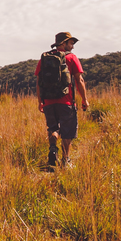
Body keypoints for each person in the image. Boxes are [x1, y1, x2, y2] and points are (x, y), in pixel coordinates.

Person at [34, 31, 90, 170]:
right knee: (67, 131)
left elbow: (38, 82)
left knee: (53, 128)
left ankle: (53, 147)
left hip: (48, 102)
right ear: (63, 44)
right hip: (66, 102)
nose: (72, 46)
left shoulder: (44, 59)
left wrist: (40, 101)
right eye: (71, 43)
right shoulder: (71, 58)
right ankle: (66, 160)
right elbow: (79, 80)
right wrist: (84, 99)